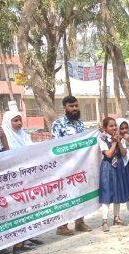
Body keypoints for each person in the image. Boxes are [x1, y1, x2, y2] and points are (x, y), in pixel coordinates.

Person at [51, 95, 92, 235]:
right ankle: (62, 226)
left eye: (76, 105)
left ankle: (79, 222)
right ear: (64, 107)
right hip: (65, 167)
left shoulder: (80, 124)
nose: (74, 108)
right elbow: (55, 146)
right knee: (66, 195)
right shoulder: (58, 124)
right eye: (71, 106)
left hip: (80, 165)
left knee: (80, 193)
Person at [1, 110, 41, 253]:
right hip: (12, 180)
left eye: (20, 120)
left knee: (28, 207)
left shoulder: (23, 136)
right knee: (15, 210)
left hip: (27, 178)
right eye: (15, 121)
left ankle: (28, 237)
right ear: (7, 122)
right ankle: (17, 243)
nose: (18, 123)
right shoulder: (4, 137)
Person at [98, 117, 129, 232]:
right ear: (105, 128)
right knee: (107, 192)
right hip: (108, 167)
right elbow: (109, 154)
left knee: (118, 191)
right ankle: (104, 221)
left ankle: (116, 217)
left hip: (118, 166)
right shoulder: (102, 138)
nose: (114, 128)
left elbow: (124, 153)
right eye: (110, 126)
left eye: (115, 125)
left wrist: (119, 142)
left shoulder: (119, 137)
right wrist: (115, 143)